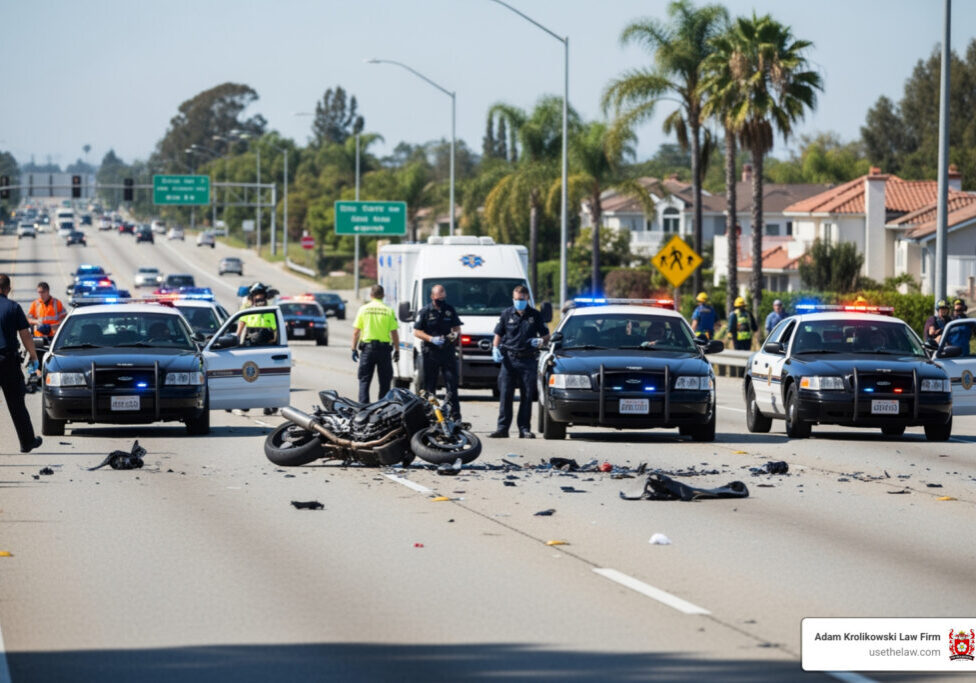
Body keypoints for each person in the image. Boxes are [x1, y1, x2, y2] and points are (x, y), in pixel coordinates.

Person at [489, 285, 549, 439]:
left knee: (527, 396)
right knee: (505, 396)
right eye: (516, 299)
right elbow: (498, 334)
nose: (518, 302)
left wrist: (539, 341)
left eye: (521, 299)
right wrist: (495, 348)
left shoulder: (535, 315)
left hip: (528, 360)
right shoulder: (506, 313)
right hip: (509, 359)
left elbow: (546, 335)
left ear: (527, 298)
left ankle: (524, 429)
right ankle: (502, 428)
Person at [0, 274, 42, 453]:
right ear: (8, 289)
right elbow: (25, 334)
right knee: (17, 403)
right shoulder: (13, 307)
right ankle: (27, 442)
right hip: (8, 361)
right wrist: (33, 356)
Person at [413, 284, 463, 419]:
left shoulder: (449, 310)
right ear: (432, 297)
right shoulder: (425, 311)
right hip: (431, 353)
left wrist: (451, 336)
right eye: (438, 297)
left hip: (447, 352)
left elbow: (457, 328)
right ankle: (430, 415)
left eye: (443, 296)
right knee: (429, 386)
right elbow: (417, 331)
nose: (441, 299)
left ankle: (455, 416)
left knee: (452, 385)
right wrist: (431, 339)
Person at [351, 284, 400, 403]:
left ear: (371, 295)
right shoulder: (388, 310)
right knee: (385, 382)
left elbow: (356, 332)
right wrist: (397, 350)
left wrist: (353, 348)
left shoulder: (364, 309)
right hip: (384, 351)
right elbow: (394, 333)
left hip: (368, 350)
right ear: (383, 295)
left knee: (364, 380)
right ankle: (382, 408)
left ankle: (363, 409)